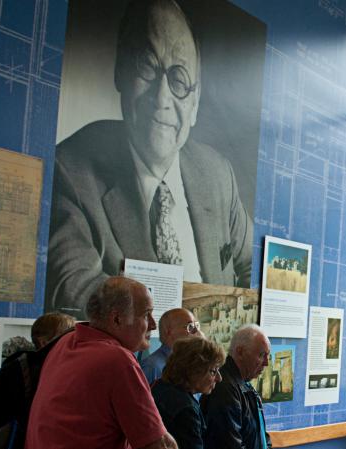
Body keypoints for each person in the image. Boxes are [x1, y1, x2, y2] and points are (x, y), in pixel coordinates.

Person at [45, 0, 253, 318]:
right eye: (147, 66)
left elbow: (254, 264)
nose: (162, 98)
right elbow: (74, 289)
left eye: (179, 80)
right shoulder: (71, 169)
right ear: (120, 70)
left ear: (195, 103)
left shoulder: (217, 174)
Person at [26, 276, 177, 449]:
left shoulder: (65, 342)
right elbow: (158, 445)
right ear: (117, 319)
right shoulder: (118, 360)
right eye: (146, 314)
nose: (153, 325)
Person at [0, 312, 76, 449]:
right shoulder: (20, 373)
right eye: (67, 338)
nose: (73, 344)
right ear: (43, 342)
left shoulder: (21, 368)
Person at [201, 324, 271, 449]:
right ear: (240, 352)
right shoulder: (224, 388)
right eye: (261, 355)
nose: (266, 363)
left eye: (267, 356)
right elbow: (228, 443)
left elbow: (261, 436)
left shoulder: (245, 383)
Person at [151, 337, 225, 449]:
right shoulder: (186, 410)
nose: (219, 378)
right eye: (213, 371)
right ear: (194, 370)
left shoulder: (158, 385)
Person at [142, 308, 202, 385]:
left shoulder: (188, 363)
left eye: (196, 325)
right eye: (190, 326)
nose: (196, 332)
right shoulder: (152, 367)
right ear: (169, 332)